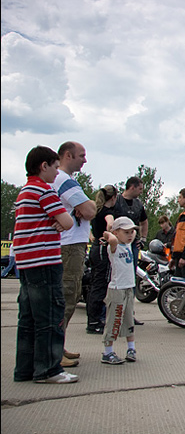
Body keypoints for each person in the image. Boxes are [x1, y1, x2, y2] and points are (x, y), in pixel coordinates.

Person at [13, 145, 78, 383]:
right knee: (51, 316)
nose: (56, 172)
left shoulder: (24, 191)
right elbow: (67, 221)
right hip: (45, 261)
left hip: (26, 262)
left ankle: (25, 368)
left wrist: (58, 219)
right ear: (44, 166)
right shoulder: (44, 191)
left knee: (28, 317)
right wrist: (62, 219)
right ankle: (49, 370)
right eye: (54, 167)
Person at [52, 141, 97, 367]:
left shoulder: (64, 181)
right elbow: (89, 211)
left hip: (71, 245)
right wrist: (86, 204)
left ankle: (58, 346)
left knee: (70, 293)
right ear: (68, 155)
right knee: (67, 295)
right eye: (81, 155)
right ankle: (54, 352)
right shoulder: (64, 181)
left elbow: (87, 209)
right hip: (69, 247)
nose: (85, 160)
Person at [100, 216, 140, 365]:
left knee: (129, 319)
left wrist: (123, 233)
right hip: (117, 288)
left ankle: (131, 348)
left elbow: (129, 236)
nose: (130, 235)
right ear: (117, 233)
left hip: (129, 287)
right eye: (126, 232)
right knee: (114, 320)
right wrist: (110, 230)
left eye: (132, 232)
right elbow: (110, 238)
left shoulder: (129, 245)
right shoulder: (114, 246)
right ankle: (108, 351)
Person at [114, 176, 149, 324]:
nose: (141, 192)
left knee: (131, 279)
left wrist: (143, 238)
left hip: (132, 245)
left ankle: (129, 313)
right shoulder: (116, 202)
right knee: (116, 277)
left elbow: (144, 221)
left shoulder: (138, 204)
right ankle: (114, 312)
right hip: (117, 245)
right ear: (132, 187)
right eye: (140, 189)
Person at [86, 185, 118, 334]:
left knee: (94, 285)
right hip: (101, 251)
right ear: (113, 198)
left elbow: (90, 229)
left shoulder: (96, 212)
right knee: (100, 285)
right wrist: (110, 234)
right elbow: (110, 223)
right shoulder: (107, 212)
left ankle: (93, 319)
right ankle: (94, 321)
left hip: (94, 249)